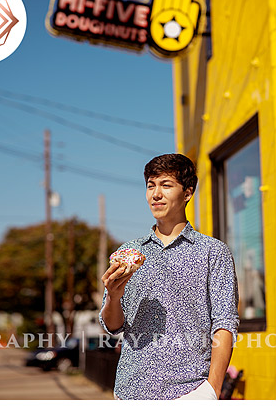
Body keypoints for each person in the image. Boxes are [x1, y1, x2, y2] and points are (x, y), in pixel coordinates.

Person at [100, 153, 238, 400]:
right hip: (132, 390)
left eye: (166, 185)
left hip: (190, 390)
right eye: (151, 186)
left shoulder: (213, 252)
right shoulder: (127, 254)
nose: (156, 194)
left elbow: (225, 322)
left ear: (187, 193)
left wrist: (212, 390)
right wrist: (113, 295)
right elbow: (112, 326)